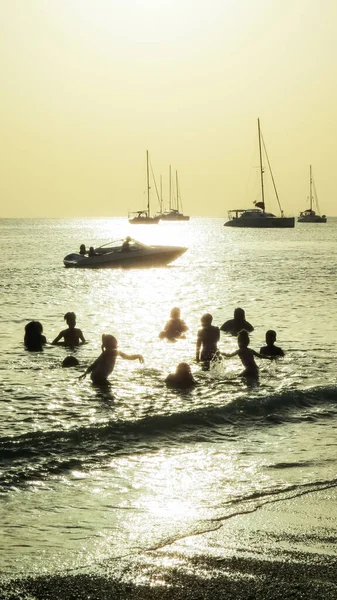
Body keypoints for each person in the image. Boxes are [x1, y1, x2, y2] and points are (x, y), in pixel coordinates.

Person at [79, 334, 144, 385]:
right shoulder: (112, 352)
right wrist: (138, 356)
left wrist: (85, 373)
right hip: (99, 377)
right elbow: (127, 357)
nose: (115, 347)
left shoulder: (105, 353)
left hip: (96, 376)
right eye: (114, 345)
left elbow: (94, 365)